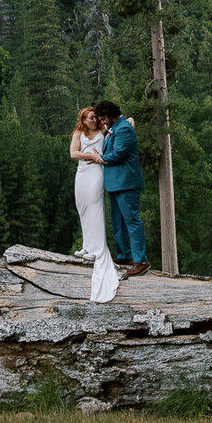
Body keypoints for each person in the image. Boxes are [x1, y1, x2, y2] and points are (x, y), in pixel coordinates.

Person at [69, 107, 120, 303]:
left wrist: (130, 120)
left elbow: (119, 129)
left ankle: (98, 249)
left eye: (94, 118)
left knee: (95, 208)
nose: (93, 120)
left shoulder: (102, 131)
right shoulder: (78, 133)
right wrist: (90, 155)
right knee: (82, 208)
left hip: (96, 174)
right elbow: (74, 154)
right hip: (82, 174)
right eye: (89, 118)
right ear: (83, 119)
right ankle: (87, 246)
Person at [94, 100, 149, 277]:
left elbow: (118, 154)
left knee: (131, 221)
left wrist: (100, 158)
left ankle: (141, 261)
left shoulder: (124, 129)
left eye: (103, 118)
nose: (103, 122)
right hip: (115, 183)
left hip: (127, 183)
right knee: (117, 222)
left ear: (111, 115)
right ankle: (124, 255)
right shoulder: (115, 128)